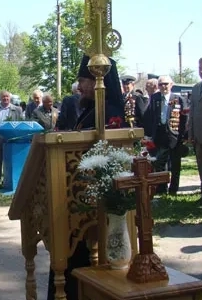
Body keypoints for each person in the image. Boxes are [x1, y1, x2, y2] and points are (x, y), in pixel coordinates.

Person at [47, 54, 124, 300]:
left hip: (88, 200)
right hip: (78, 194)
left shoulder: (108, 111)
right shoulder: (91, 108)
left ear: (98, 80)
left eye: (83, 80)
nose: (79, 86)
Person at [146, 75, 187, 194]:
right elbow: (150, 116)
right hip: (159, 134)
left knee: (175, 163)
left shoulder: (178, 99)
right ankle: (161, 187)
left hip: (175, 135)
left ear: (171, 85)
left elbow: (185, 118)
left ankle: (173, 189)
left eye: (166, 84)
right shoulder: (154, 97)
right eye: (161, 84)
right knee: (160, 162)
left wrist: (184, 135)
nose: (163, 86)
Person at [0, 90, 22, 188]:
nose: (5, 98)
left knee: (10, 161)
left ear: (10, 98)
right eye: (3, 97)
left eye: (7, 97)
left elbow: (20, 123)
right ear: (0, 98)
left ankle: (10, 181)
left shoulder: (17, 109)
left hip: (11, 139)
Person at [189, 56, 202, 204]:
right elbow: (192, 113)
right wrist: (191, 134)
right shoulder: (196, 88)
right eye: (200, 68)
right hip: (199, 136)